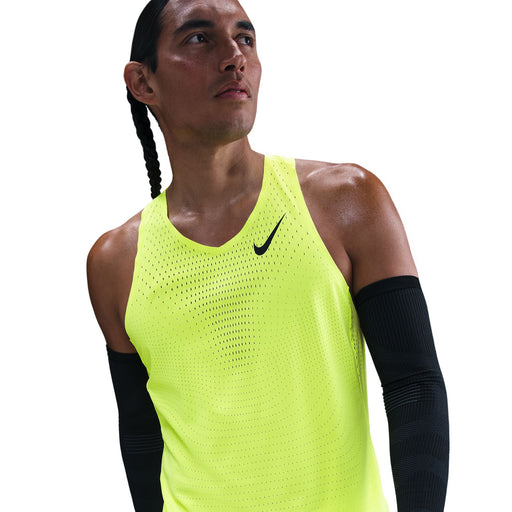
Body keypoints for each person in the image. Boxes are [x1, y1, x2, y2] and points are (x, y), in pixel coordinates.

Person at [86, 0, 449, 510]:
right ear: (142, 82)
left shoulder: (345, 201)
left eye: (246, 38)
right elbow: (142, 435)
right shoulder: (115, 262)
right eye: (199, 38)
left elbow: (414, 385)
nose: (234, 57)